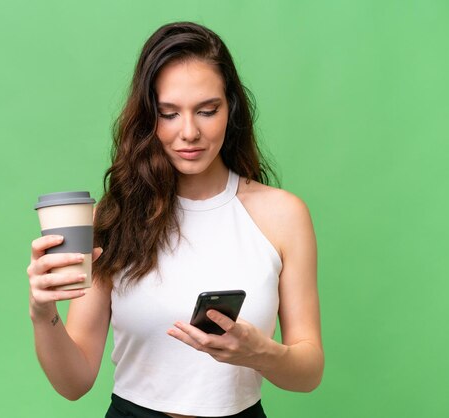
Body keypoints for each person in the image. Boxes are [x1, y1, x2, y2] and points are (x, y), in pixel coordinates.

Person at [27, 21, 323, 418]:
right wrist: (42, 312)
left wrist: (262, 354)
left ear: (231, 109)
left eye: (207, 110)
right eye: (169, 113)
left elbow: (309, 373)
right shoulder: (112, 219)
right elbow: (74, 382)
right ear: (149, 117)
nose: (189, 132)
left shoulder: (284, 215)